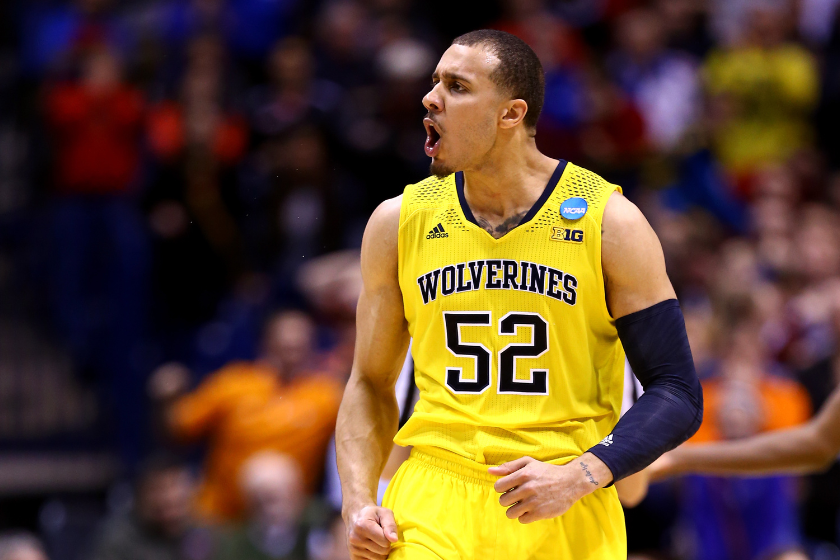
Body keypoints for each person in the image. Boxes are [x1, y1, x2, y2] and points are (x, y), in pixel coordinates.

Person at [335, 29, 703, 560]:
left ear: (510, 114)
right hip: (435, 497)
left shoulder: (609, 222)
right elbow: (369, 382)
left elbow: (677, 391)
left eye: (457, 86)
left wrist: (583, 474)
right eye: (434, 81)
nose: (429, 98)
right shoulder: (398, 221)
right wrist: (359, 503)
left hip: (563, 496)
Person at [150, 310, 344, 522]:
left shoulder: (327, 396)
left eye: (299, 347)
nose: (292, 356)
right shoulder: (233, 383)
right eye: (285, 347)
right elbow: (179, 427)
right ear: (266, 345)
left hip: (285, 525)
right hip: (220, 516)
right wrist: (167, 398)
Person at [89, 453, 215, 560]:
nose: (172, 514)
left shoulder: (205, 532)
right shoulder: (117, 539)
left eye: (177, 504)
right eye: (163, 506)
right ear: (141, 498)